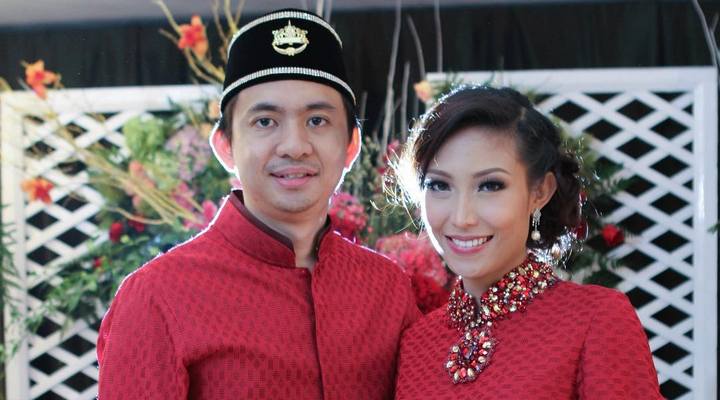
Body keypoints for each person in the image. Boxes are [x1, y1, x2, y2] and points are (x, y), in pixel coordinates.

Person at [96, 9, 420, 399]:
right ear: (225, 146)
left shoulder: (387, 289)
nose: (295, 146)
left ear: (351, 145)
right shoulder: (156, 297)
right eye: (265, 121)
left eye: (317, 120)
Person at [393, 86, 663, 399]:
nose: (462, 217)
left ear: (540, 192)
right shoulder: (415, 343)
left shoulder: (596, 319)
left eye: (490, 186)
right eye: (439, 185)